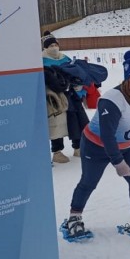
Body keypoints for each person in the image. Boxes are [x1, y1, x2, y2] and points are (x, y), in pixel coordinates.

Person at [62, 50, 130, 241]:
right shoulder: (112, 100)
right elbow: (108, 135)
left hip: (126, 145)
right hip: (96, 145)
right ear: (128, 77)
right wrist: (118, 162)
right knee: (89, 181)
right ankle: (74, 217)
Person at [42, 31, 89, 163]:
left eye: (55, 44)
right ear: (45, 47)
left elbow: (74, 72)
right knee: (57, 124)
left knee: (77, 120)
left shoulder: (65, 58)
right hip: (54, 96)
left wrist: (78, 86)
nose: (53, 47)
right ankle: (57, 152)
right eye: (50, 45)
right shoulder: (41, 60)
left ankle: (78, 147)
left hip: (71, 94)